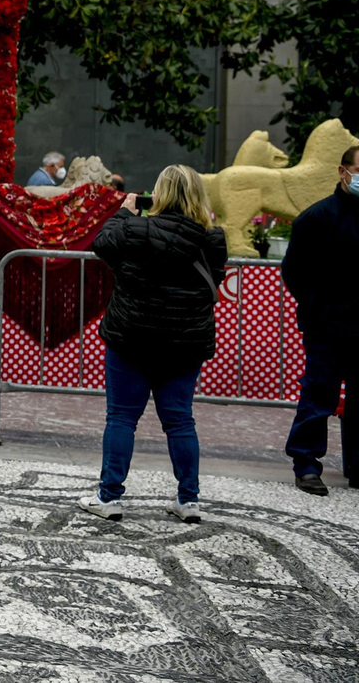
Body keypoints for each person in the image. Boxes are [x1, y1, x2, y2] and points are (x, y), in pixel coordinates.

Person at [81, 164, 225, 523]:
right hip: (185, 342)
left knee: (122, 418)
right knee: (180, 421)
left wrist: (123, 213)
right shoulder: (211, 237)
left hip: (132, 337)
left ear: (157, 194)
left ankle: (109, 497)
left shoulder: (133, 227)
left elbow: (102, 245)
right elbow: (216, 278)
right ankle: (188, 500)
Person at [281, 144, 359, 496]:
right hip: (327, 328)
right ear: (343, 172)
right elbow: (294, 272)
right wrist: (319, 307)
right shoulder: (317, 218)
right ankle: (306, 465)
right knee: (319, 396)